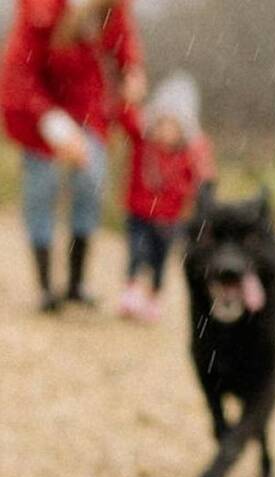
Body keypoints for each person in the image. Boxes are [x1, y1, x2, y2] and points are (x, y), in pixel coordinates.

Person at [1, 0, 145, 312]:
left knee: (91, 183)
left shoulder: (113, 10)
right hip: (38, 113)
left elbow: (124, 46)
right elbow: (18, 75)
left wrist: (132, 71)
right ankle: (44, 288)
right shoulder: (37, 13)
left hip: (88, 111)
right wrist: (52, 123)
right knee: (41, 189)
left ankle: (76, 283)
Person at [116, 71, 214, 322]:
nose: (166, 131)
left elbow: (203, 177)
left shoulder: (190, 154)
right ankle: (131, 291)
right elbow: (127, 118)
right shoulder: (143, 143)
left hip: (169, 220)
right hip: (139, 213)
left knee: (159, 260)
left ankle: (153, 297)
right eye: (161, 123)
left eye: (173, 126)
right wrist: (129, 97)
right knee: (137, 253)